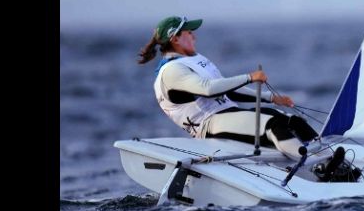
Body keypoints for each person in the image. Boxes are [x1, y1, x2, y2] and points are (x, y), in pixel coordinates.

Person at [138, 15, 323, 162]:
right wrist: (249, 77)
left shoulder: (192, 61)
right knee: (274, 126)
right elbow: (209, 89)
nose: (194, 36)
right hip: (211, 126)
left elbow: (226, 90)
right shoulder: (171, 71)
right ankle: (317, 166)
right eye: (189, 33)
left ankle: (328, 157)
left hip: (229, 115)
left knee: (291, 121)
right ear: (175, 38)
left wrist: (270, 98)